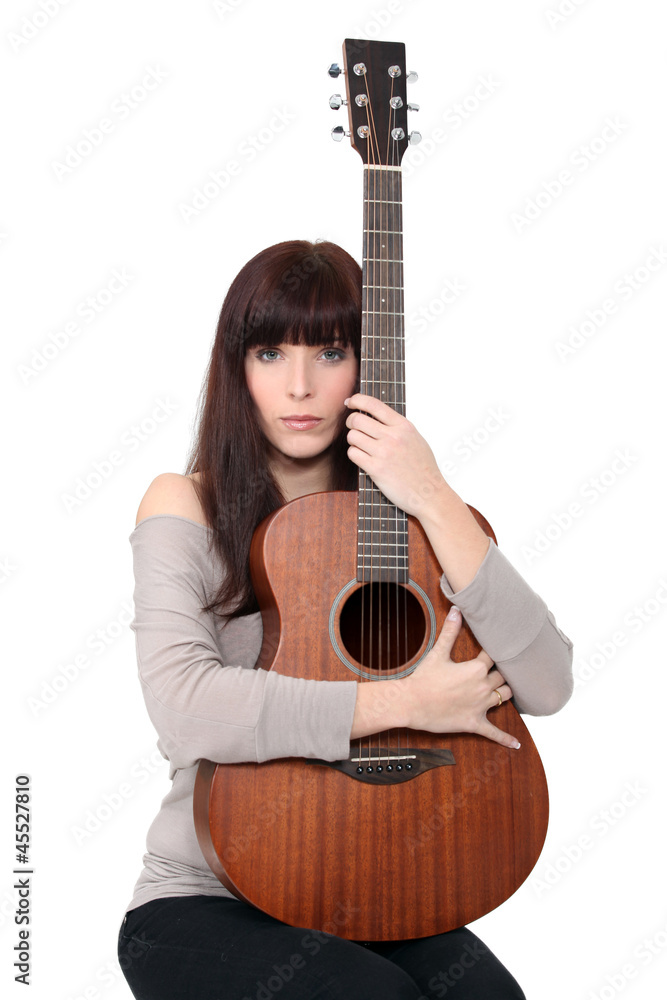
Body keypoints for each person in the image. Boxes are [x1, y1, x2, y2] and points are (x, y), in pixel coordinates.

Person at [117, 239, 573, 999]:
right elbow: (185, 709)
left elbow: (548, 683)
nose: (299, 386)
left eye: (330, 353)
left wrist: (429, 493)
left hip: (383, 890)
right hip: (209, 898)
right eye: (269, 353)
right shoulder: (183, 500)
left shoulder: (412, 522)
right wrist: (406, 703)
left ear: (366, 365)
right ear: (236, 368)